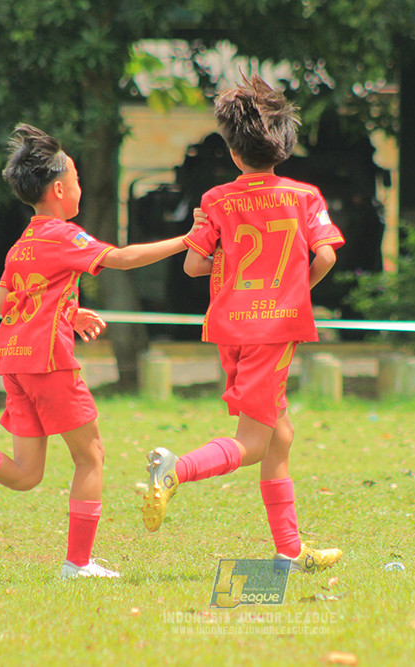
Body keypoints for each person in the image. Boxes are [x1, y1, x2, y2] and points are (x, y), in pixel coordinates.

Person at [0, 123, 199, 579]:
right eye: (76, 178)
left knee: (26, 474)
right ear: (58, 189)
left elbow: (3, 304)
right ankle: (78, 564)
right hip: (49, 361)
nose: (79, 186)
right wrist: (187, 241)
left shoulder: (22, 244)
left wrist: (67, 312)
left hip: (15, 361)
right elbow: (121, 258)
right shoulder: (64, 235)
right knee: (90, 457)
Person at [140, 75, 346, 574]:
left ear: (234, 153)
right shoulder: (303, 196)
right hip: (273, 330)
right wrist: (294, 290)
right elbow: (325, 256)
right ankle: (175, 470)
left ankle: (290, 551)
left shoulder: (215, 200)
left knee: (280, 436)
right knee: (253, 443)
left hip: (231, 328)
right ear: (284, 148)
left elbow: (193, 266)